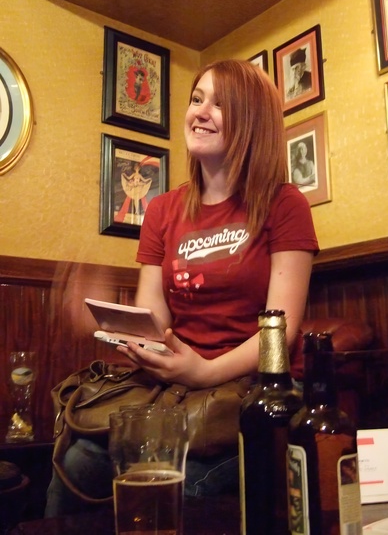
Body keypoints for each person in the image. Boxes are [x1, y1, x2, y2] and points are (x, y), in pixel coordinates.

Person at [45, 59, 319, 516]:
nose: (200, 111)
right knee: (78, 461)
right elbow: (153, 322)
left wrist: (203, 371)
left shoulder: (283, 202)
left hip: (252, 398)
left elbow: (282, 332)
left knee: (181, 485)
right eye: (197, 99)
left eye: (219, 103)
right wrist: (107, 322)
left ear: (251, 120)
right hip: (176, 395)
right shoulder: (162, 210)